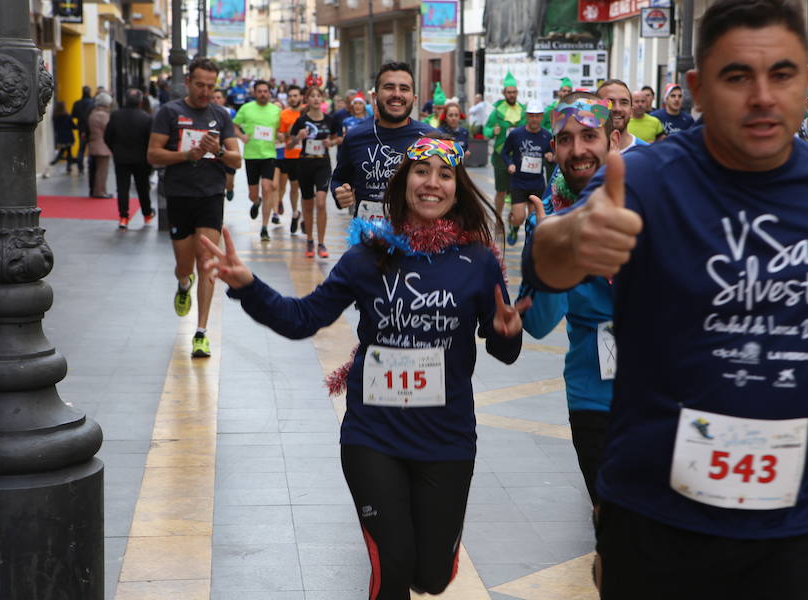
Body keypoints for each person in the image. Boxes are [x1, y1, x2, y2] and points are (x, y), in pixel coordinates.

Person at [522, 1, 808, 597]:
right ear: (697, 87)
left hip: (795, 521)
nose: (763, 96)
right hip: (657, 523)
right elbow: (553, 256)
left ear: (806, 80)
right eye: (738, 76)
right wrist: (569, 237)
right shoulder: (647, 178)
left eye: (783, 75)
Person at [201, 135, 527, 600]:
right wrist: (248, 286)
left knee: (431, 577)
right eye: (421, 171)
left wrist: (506, 332)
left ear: (457, 188)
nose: (431, 183)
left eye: (444, 174)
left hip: (447, 437)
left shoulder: (477, 262)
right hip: (373, 435)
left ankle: (431, 566)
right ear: (403, 182)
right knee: (392, 565)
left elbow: (505, 351)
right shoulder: (368, 256)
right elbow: (302, 319)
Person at [519, 91, 618, 509]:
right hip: (593, 397)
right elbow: (538, 324)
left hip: (662, 393)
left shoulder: (659, 207)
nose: (578, 150)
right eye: (565, 139)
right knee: (612, 524)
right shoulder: (548, 227)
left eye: (589, 136)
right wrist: (551, 256)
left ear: (612, 139)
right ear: (554, 149)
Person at [147, 57, 242, 358]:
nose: (205, 91)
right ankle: (183, 284)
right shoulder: (169, 112)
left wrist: (220, 151)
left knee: (207, 262)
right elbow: (153, 155)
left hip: (210, 196)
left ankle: (200, 332)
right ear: (188, 82)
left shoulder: (221, 115)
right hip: (180, 196)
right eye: (200, 85)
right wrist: (188, 155)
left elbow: (237, 160)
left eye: (211, 86)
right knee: (185, 266)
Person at [331, 62, 435, 221]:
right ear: (374, 97)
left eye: (404, 89)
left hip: (416, 239)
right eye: (389, 87)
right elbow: (339, 178)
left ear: (414, 99)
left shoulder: (431, 138)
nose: (397, 94)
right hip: (367, 238)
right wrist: (340, 192)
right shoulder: (355, 137)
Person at [288, 86, 341, 258]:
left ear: (323, 99)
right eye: (312, 96)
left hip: (323, 164)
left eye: (319, 96)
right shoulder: (301, 121)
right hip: (305, 163)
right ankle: (310, 240)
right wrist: (299, 137)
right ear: (307, 100)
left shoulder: (330, 120)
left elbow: (339, 137)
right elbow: (288, 144)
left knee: (321, 202)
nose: (316, 99)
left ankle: (321, 243)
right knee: (308, 204)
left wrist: (331, 143)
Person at [234, 79, 282, 242]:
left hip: (269, 155)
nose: (263, 94)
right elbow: (234, 126)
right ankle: (256, 202)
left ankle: (264, 227)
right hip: (251, 155)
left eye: (265, 91)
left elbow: (281, 131)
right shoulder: (246, 108)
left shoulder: (276, 111)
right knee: (252, 194)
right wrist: (241, 136)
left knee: (267, 187)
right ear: (254, 93)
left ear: (270, 93)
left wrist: (280, 136)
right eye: (259, 91)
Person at [500, 100, 552, 245]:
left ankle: (530, 244)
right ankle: (514, 228)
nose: (534, 119)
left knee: (534, 219)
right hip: (518, 181)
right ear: (526, 116)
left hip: (537, 182)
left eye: (537, 116)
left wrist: (550, 156)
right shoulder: (516, 134)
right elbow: (504, 153)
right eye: (531, 116)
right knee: (519, 217)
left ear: (542, 117)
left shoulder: (547, 136)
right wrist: (509, 164)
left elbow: (552, 153)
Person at [104, 88, 155, 229]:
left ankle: (123, 217)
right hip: (141, 159)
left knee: (122, 188)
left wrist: (115, 150)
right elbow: (150, 140)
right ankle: (147, 214)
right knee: (143, 187)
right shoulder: (146, 118)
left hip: (121, 158)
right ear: (140, 102)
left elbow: (107, 136)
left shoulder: (115, 115)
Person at [484, 71, 527, 219]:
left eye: (514, 92)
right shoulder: (497, 111)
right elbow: (486, 129)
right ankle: (498, 218)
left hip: (519, 156)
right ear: (504, 93)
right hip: (501, 156)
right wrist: (493, 131)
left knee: (517, 191)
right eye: (509, 92)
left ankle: (514, 219)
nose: (512, 95)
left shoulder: (523, 110)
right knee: (501, 191)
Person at [276, 85, 304, 235]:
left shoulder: (307, 111)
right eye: (290, 96)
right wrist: (288, 132)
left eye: (295, 95)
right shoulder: (284, 115)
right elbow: (281, 135)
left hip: (307, 155)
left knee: (308, 188)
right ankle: (295, 213)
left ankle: (305, 217)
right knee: (294, 187)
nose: (293, 98)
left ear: (301, 97)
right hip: (291, 155)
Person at [596, 79, 648, 153]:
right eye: (609, 102)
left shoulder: (646, 153)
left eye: (624, 102)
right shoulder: (584, 151)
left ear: (631, 111)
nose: (617, 109)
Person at [212, 89, 238, 201]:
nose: (216, 100)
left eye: (218, 97)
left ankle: (230, 188)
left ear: (224, 100)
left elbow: (235, 128)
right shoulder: (206, 113)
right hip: (214, 153)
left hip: (228, 151)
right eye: (213, 98)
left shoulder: (230, 112)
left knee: (229, 181)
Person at [87, 92, 113, 199]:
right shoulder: (103, 115)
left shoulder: (93, 113)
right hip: (102, 145)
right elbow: (108, 130)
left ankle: (99, 190)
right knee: (102, 171)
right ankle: (100, 192)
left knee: (96, 170)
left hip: (94, 143)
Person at [71, 86, 94, 174]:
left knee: (81, 148)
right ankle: (90, 165)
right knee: (91, 148)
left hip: (81, 128)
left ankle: (80, 167)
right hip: (91, 128)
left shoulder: (77, 103)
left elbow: (73, 115)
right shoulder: (93, 103)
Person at [50, 101, 75, 173]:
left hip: (60, 136)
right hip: (68, 136)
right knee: (68, 151)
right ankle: (68, 165)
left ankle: (58, 159)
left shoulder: (55, 117)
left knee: (64, 149)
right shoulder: (67, 116)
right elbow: (73, 126)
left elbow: (55, 127)